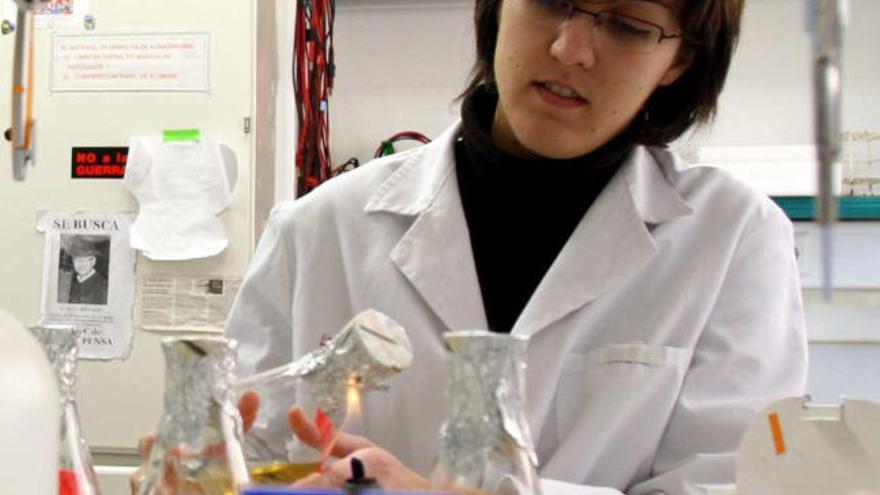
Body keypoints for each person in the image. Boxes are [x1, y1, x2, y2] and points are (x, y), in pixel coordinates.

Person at [134, 0, 807, 493]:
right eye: (550, 3)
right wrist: (195, 473)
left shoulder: (731, 240)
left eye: (628, 25)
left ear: (680, 59)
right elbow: (254, 452)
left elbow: (731, 484)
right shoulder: (320, 227)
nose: (572, 48)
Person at [66, 237, 108, 305]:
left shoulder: (103, 287)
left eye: (85, 260)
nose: (81, 264)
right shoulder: (73, 284)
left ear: (93, 261)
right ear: (73, 262)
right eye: (77, 260)